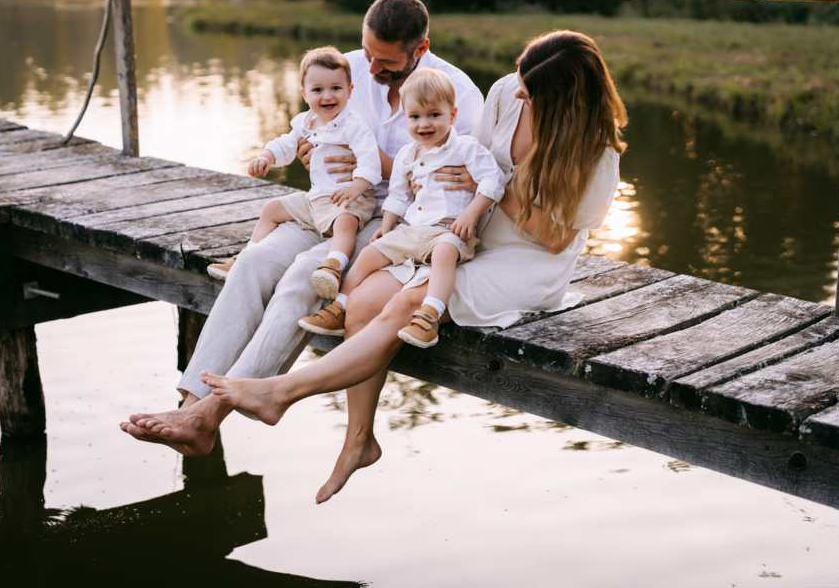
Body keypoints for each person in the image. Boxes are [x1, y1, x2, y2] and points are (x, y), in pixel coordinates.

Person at [200, 30, 628, 503]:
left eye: (531, 93)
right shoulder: (509, 90)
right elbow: (464, 156)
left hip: (528, 258)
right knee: (361, 301)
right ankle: (359, 441)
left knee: (409, 301)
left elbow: (552, 237)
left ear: (565, 100)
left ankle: (280, 391)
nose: (519, 93)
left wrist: (493, 191)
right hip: (466, 227)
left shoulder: (597, 152)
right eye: (521, 83)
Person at [121, 0, 484, 456]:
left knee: (301, 279)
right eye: (368, 54)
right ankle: (191, 404)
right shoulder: (348, 69)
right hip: (322, 204)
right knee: (254, 262)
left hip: (389, 221)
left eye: (386, 62)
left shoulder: (458, 95)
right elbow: (308, 132)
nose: (371, 69)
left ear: (421, 48)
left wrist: (374, 164)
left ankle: (207, 417)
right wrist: (311, 151)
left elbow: (463, 181)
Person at [299, 68, 504, 347]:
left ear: (452, 115)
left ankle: (430, 315)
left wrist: (471, 213)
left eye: (434, 115)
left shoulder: (465, 148)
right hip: (411, 230)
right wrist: (385, 227)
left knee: (444, 253)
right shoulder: (408, 154)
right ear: (406, 117)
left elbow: (493, 181)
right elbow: (398, 195)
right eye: (415, 117)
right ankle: (340, 307)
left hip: (447, 229)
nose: (424, 124)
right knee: (369, 254)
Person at [216, 46, 381, 300]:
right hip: (316, 199)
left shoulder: (354, 126)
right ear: (305, 94)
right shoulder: (305, 122)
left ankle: (333, 266)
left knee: (345, 222)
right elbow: (285, 144)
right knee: (271, 208)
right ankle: (246, 256)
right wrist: (266, 156)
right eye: (317, 90)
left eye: (336, 88)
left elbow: (370, 161)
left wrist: (355, 188)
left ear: (349, 91)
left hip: (348, 198)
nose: (327, 96)